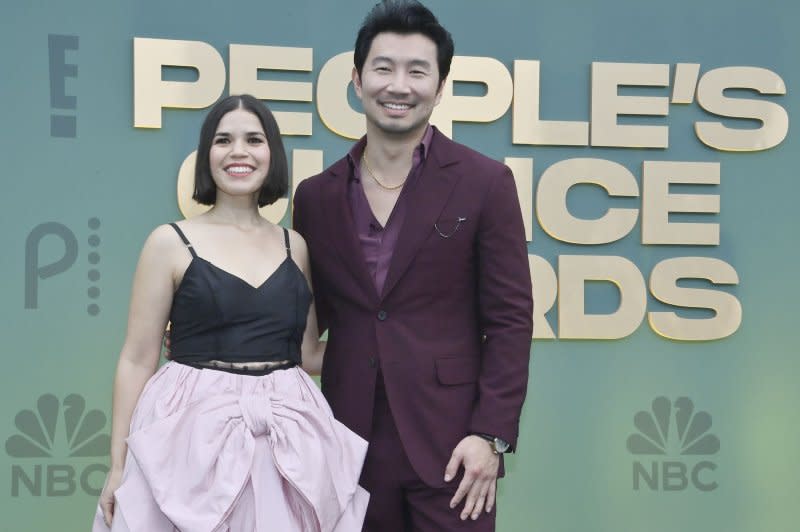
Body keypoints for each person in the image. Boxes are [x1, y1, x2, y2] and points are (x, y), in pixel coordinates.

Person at [292, 1, 533, 531]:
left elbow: (511, 320)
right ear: (356, 80)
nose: (398, 85)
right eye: (383, 68)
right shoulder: (316, 197)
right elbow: (305, 322)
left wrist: (491, 435)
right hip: (346, 443)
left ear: (440, 86)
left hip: (454, 448)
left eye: (417, 71)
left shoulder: (485, 183)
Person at [92, 94, 369, 531]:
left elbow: (307, 353)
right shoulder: (168, 242)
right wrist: (117, 466)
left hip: (288, 439)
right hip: (192, 436)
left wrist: (390, 349)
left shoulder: (293, 246)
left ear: (272, 154)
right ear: (207, 156)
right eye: (223, 140)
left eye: (254, 139)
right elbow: (137, 358)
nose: (238, 151)